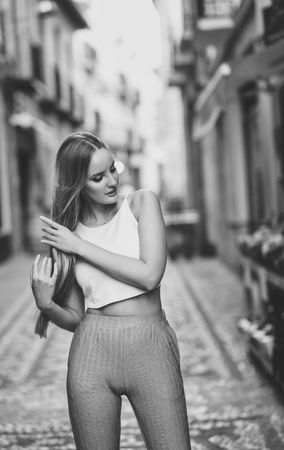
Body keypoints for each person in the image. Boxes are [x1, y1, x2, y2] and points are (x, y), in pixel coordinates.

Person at [30, 131, 191, 450]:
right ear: (78, 183)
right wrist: (47, 305)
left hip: (150, 347)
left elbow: (149, 275)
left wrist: (80, 246)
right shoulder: (67, 235)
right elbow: (78, 317)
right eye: (97, 177)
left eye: (112, 170)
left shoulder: (142, 204)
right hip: (91, 354)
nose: (111, 182)